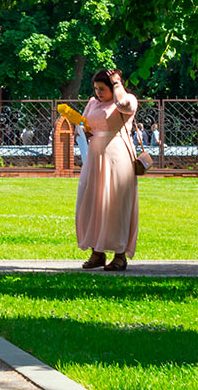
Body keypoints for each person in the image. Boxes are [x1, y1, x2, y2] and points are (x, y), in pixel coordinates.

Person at [76, 69, 139, 272]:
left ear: (113, 87)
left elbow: (124, 105)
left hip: (117, 156)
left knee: (115, 205)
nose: (98, 93)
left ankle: (119, 255)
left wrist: (117, 83)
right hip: (95, 156)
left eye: (103, 89)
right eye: (96, 89)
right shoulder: (93, 102)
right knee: (91, 203)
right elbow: (85, 124)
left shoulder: (127, 100)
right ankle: (97, 252)